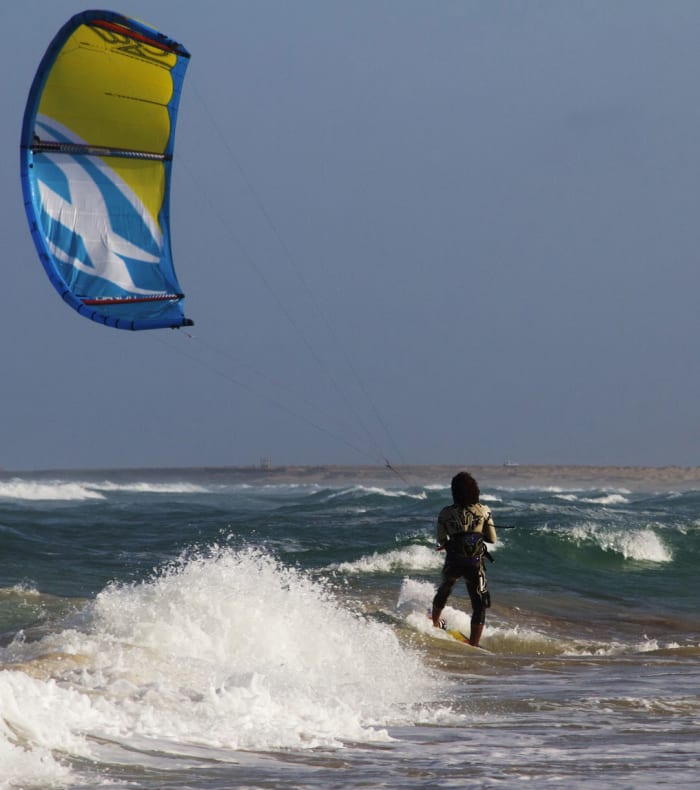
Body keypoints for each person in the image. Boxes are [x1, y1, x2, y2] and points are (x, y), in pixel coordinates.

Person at [431, 471, 496, 647]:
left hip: (453, 562)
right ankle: (474, 644)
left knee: (444, 590)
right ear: (475, 490)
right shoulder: (484, 510)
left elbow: (441, 540)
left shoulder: (445, 513)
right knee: (479, 605)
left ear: (454, 493)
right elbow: (492, 539)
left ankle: (434, 623)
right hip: (475, 563)